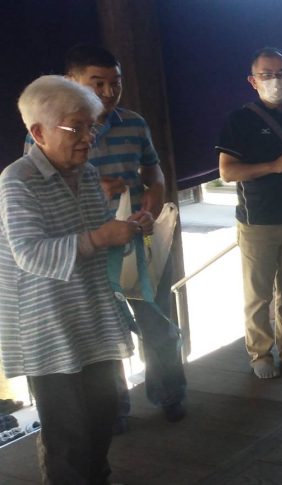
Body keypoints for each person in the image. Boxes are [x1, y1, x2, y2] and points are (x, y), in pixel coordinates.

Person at [31, 44, 188, 428]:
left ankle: (170, 394)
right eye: (97, 83)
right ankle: (114, 409)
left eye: (115, 83)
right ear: (70, 81)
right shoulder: (49, 129)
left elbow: (154, 172)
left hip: (137, 239)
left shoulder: (134, 122)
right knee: (103, 332)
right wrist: (90, 187)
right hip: (89, 246)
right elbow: (40, 189)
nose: (108, 92)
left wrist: (152, 201)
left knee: (156, 321)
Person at [1, 75, 142, 483]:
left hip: (93, 315)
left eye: (90, 128)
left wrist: (128, 228)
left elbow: (98, 236)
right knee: (69, 435)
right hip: (48, 326)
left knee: (103, 416)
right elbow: (29, 253)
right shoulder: (18, 180)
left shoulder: (87, 173)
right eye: (75, 129)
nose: (87, 139)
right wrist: (101, 237)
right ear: (38, 132)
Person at [217, 47, 282, 379]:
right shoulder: (239, 120)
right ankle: (260, 354)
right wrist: (274, 166)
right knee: (259, 296)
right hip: (257, 220)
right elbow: (227, 171)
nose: (275, 80)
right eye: (267, 74)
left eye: (281, 74)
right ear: (253, 81)